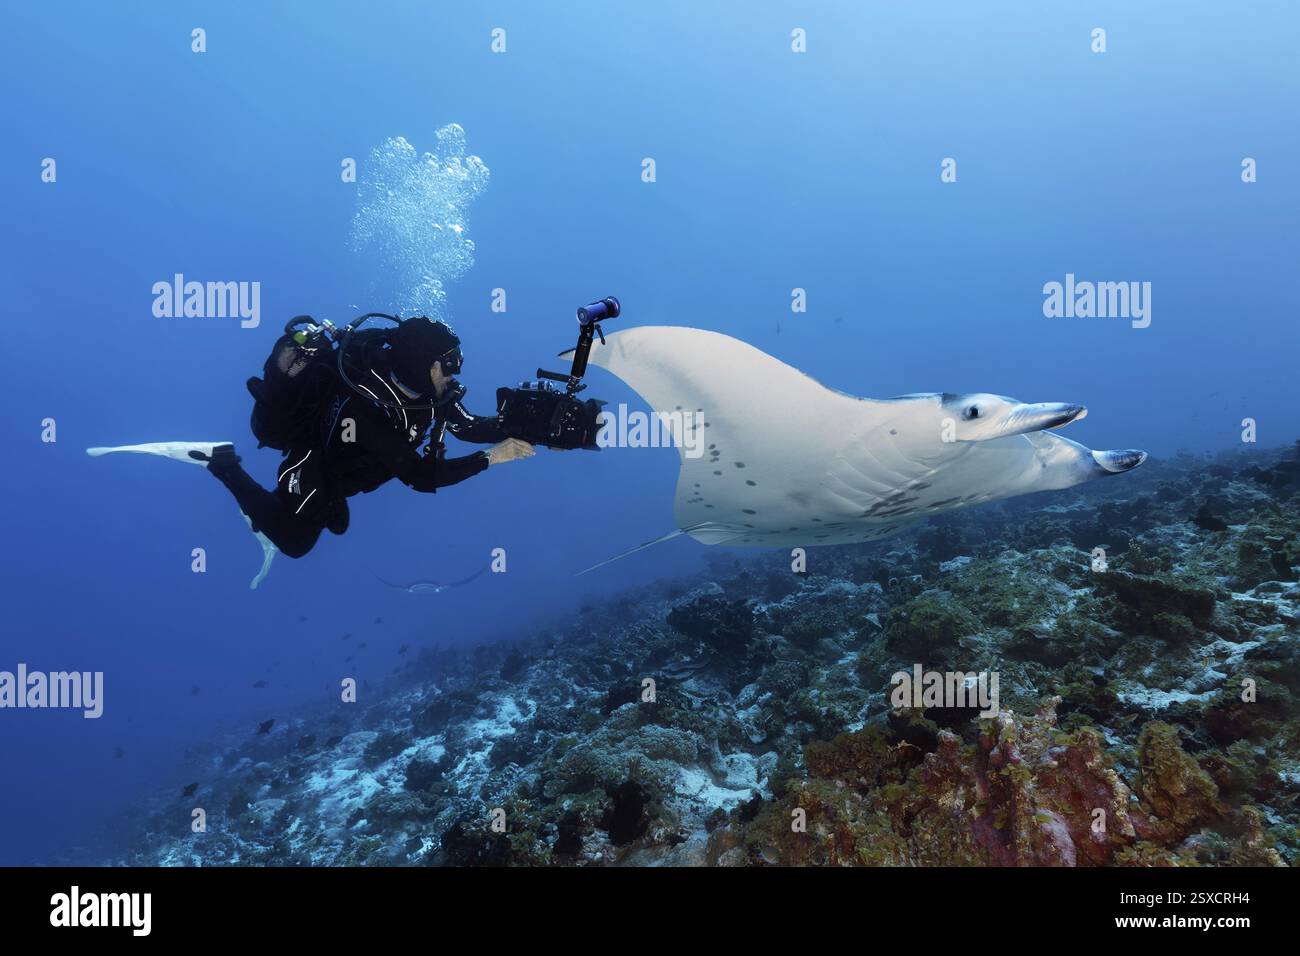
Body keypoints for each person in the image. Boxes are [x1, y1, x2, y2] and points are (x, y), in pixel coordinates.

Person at [190, 317, 533, 557]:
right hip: (314, 463)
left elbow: (467, 426)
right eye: (449, 363)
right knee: (295, 541)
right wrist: (494, 457)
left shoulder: (427, 394)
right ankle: (223, 465)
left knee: (325, 518)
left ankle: (268, 508)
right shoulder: (365, 408)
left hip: (347, 475)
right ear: (422, 363)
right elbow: (419, 475)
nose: (455, 371)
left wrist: (526, 426)